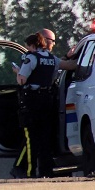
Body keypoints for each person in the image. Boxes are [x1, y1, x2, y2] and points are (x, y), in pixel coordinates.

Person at [13, 32, 77, 178]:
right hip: (47, 101)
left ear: (33, 45)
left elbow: (22, 80)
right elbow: (70, 66)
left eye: (28, 46)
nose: (27, 49)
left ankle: (28, 172)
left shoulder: (31, 58)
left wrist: (17, 71)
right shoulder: (52, 59)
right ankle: (45, 172)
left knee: (32, 138)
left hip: (32, 101)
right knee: (45, 138)